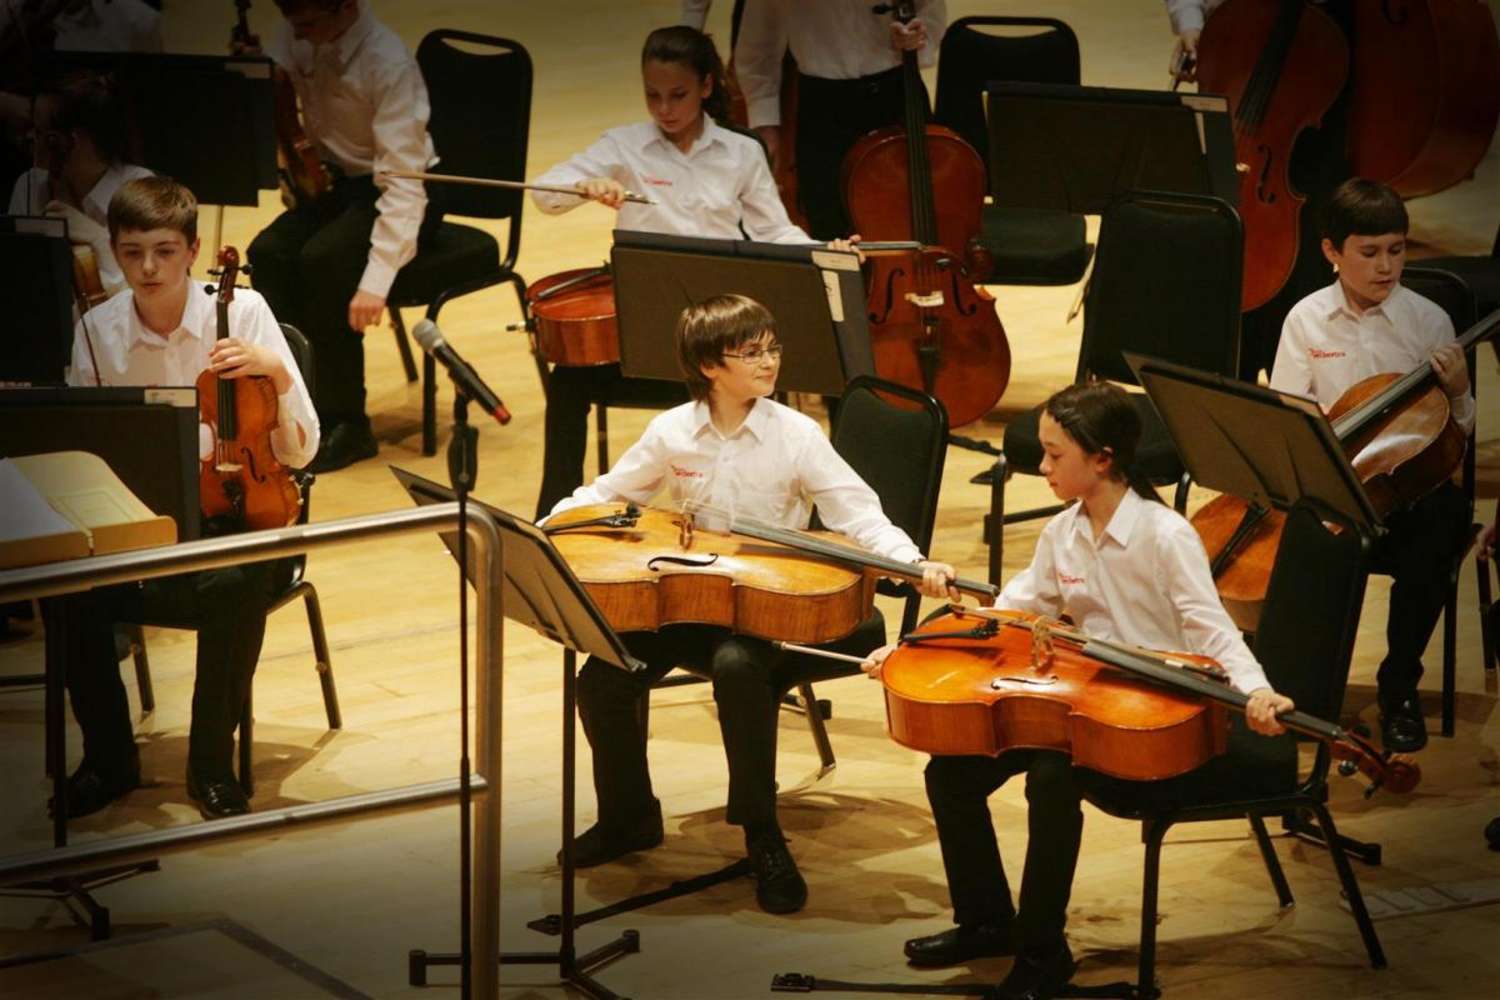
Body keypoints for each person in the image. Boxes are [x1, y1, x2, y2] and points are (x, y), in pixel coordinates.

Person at [862, 381, 1296, 1000]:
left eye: (1054, 454)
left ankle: (1044, 958)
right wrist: (911, 649)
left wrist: (1257, 691)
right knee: (951, 774)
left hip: (1154, 717)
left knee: (1050, 776)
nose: (1041, 467)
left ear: (1103, 459)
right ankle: (988, 922)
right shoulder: (1063, 533)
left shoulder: (1165, 536)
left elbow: (1216, 632)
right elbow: (1012, 610)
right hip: (1086, 703)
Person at [543, 293, 958, 915]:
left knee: (740, 669)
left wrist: (914, 564)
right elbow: (607, 493)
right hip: (694, 597)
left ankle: (761, 833)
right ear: (710, 366)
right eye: (752, 352)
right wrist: (546, 525)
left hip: (770, 606)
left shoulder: (795, 434)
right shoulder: (673, 431)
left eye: (772, 348)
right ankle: (629, 816)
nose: (769, 363)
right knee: (605, 672)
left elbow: (858, 514)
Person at [51, 176, 319, 820]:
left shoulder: (244, 313)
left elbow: (303, 451)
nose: (148, 267)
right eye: (133, 250)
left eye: (165, 251)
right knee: (64, 593)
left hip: (233, 518)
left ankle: (211, 766)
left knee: (233, 586)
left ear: (193, 251)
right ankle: (109, 761)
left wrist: (277, 373)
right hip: (141, 525)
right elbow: (82, 455)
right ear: (112, 251)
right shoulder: (95, 331)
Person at [529, 24, 851, 520]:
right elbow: (544, 192)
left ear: (706, 87)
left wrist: (825, 251)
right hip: (652, 342)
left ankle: (821, 528)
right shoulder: (624, 145)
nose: (664, 109)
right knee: (568, 382)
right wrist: (584, 184)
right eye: (652, 96)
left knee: (832, 371)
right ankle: (556, 521)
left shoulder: (741, 152)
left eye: (677, 94)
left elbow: (775, 232)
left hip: (718, 352)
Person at [1269, 176, 1472, 754]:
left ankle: (1398, 687)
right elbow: (1292, 418)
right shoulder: (1304, 321)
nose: (1386, 267)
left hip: (1406, 488)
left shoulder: (1428, 321)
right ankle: (1303, 687)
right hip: (1336, 490)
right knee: (1300, 537)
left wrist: (1457, 392)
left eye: (1397, 250)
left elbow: (1453, 432)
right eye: (1369, 252)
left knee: (1443, 525)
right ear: (1331, 252)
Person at [238, 0, 434, 474]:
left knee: (324, 262)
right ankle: (284, 406)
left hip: (399, 189)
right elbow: (276, 85)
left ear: (345, 7)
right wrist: (248, 72)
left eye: (308, 24)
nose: (298, 36)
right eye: (292, 24)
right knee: (268, 253)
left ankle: (348, 422)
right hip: (331, 183)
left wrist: (377, 279)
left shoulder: (386, 62)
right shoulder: (296, 30)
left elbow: (405, 184)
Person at [1165, 0, 1354, 380]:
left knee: (1304, 254)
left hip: (1312, 52)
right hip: (1237, 48)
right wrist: (1190, 25)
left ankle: (1296, 382)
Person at [733, 0, 945, 240]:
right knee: (829, 226)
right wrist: (765, 121)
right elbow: (759, 40)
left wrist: (917, 38)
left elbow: (931, 9)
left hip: (896, 91)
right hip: (823, 104)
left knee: (919, 218)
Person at [6, 72, 152, 297]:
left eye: (41, 132)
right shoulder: (31, 185)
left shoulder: (141, 189)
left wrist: (97, 239)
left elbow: (148, 293)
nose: (32, 141)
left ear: (71, 142)